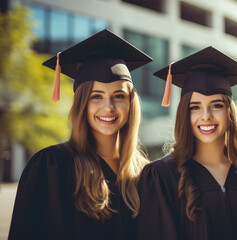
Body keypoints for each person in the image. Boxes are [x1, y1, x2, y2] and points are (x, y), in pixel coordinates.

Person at [8, 29, 152, 240]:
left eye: (119, 96)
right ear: (82, 104)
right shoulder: (52, 166)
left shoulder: (146, 174)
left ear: (131, 104)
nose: (108, 106)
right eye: (96, 96)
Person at [137, 46, 237, 240]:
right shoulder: (162, 176)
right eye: (195, 107)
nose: (206, 116)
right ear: (184, 113)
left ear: (229, 112)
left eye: (216, 106)